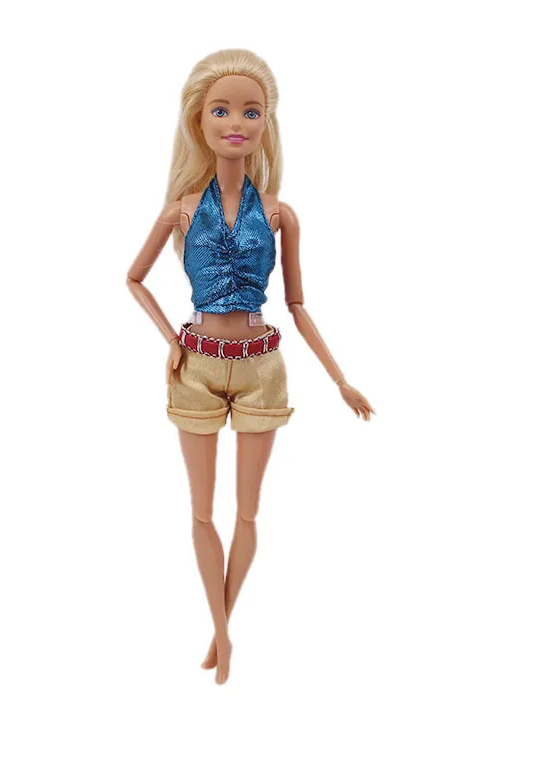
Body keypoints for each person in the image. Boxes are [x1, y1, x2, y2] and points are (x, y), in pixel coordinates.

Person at [127, 49, 375, 684]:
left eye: (251, 111)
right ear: (198, 121)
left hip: (262, 366)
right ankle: (223, 636)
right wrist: (171, 340)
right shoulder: (181, 209)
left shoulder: (280, 214)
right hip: (197, 366)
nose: (236, 123)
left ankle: (221, 633)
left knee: (247, 513)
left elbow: (297, 304)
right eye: (221, 110)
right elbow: (134, 278)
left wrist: (341, 379)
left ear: (267, 122)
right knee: (201, 511)